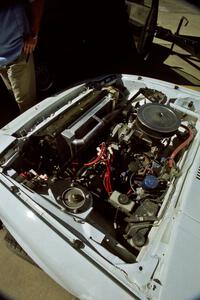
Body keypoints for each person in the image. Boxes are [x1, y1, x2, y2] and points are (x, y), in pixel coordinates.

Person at [0, 0, 45, 113]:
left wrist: (33, 34)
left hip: (16, 53)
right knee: (18, 100)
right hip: (1, 62)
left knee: (26, 105)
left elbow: (37, 1)